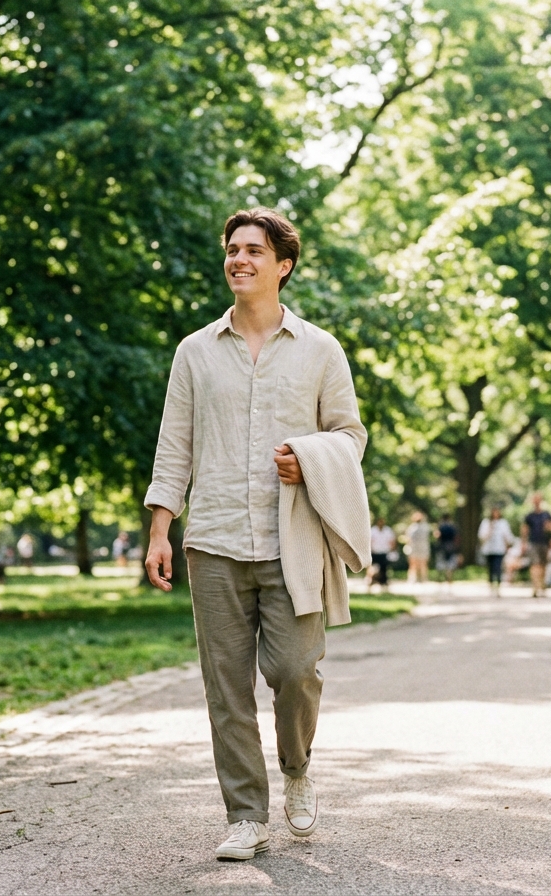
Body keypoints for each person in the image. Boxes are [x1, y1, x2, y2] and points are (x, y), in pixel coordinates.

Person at [144, 207, 367, 861]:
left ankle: (296, 767)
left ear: (283, 265)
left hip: (292, 539)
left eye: (254, 251)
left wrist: (310, 457)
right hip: (212, 538)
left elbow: (349, 436)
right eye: (232, 249)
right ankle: (246, 813)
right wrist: (161, 529)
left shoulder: (321, 351)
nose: (239, 259)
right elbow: (173, 446)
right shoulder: (194, 352)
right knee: (225, 684)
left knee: (297, 670)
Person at [523, 494, 551, 598]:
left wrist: (549, 526)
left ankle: (542, 585)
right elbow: (524, 529)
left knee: (543, 565)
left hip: (545, 543)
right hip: (533, 543)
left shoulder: (547, 515)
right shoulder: (529, 516)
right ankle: (535, 587)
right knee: (534, 564)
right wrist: (523, 543)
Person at [478, 507, 514, 597]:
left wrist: (507, 545)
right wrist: (490, 529)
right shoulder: (486, 522)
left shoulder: (503, 523)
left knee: (498, 568)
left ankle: (498, 587)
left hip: (499, 549)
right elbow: (481, 536)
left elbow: (507, 536)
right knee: (490, 568)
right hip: (489, 550)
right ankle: (491, 587)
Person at [368, 517, 397, 588]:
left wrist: (392, 549)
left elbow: (392, 540)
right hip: (375, 552)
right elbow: (370, 541)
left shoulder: (388, 530)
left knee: (384, 568)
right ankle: (371, 579)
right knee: (373, 567)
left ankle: (383, 581)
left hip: (384, 552)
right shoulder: (373, 530)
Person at [405, 511, 432, 584]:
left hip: (418, 548)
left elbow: (408, 539)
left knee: (417, 564)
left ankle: (419, 579)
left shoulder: (412, 528)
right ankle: (419, 578)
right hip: (419, 548)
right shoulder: (425, 527)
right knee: (417, 564)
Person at [435, 515, 460, 583]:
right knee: (450, 563)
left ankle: (440, 577)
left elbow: (437, 536)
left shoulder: (440, 526)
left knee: (440, 562)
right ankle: (449, 577)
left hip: (442, 546)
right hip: (451, 546)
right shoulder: (453, 527)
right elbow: (456, 537)